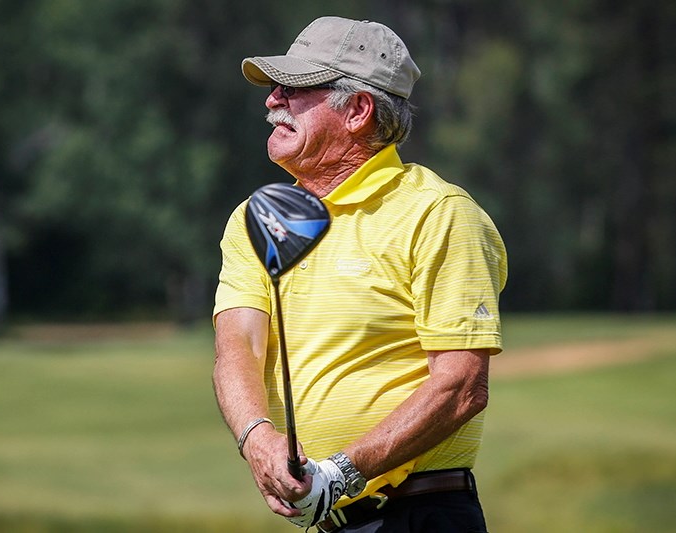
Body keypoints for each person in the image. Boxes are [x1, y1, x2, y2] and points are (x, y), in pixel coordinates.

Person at [212, 16, 507, 533]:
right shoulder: (259, 216)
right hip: (329, 521)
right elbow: (237, 346)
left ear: (358, 111)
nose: (272, 100)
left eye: (295, 87)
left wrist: (342, 474)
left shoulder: (438, 213)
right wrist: (258, 439)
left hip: (421, 516)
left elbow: (461, 386)